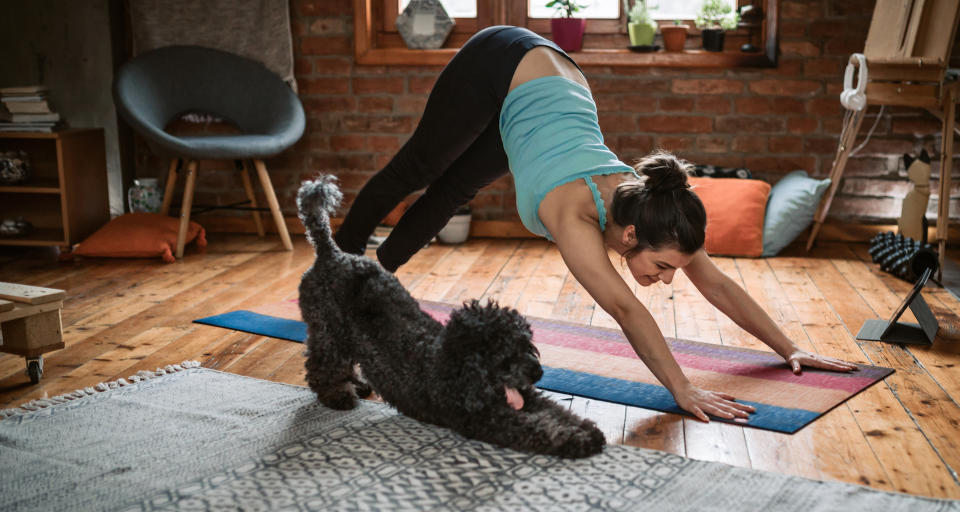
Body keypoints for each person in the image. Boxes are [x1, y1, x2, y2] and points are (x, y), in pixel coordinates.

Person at [334, 26, 859, 422]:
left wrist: (787, 347)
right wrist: (682, 389)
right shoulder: (575, 217)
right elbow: (627, 309)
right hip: (503, 60)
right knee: (421, 169)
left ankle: (373, 273)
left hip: (550, 85)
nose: (669, 278)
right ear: (630, 237)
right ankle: (339, 265)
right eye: (663, 267)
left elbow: (715, 281)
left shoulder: (655, 214)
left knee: (455, 190)